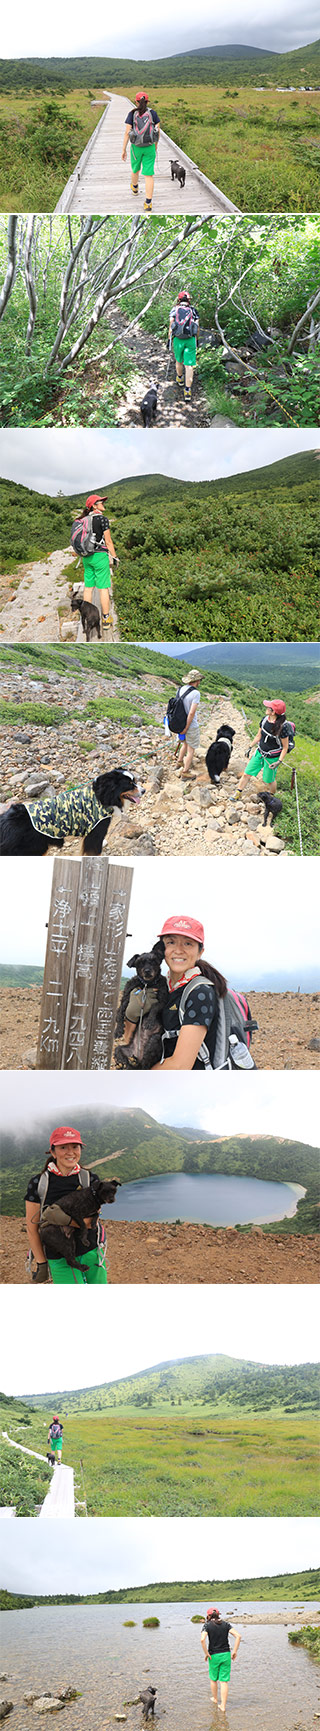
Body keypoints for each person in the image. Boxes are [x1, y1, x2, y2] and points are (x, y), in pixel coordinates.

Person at [25, 1126, 109, 1285]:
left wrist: (62, 1219)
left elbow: (92, 1219)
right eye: (63, 1147)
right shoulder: (39, 1184)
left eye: (75, 1147)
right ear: (53, 1151)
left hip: (91, 1250)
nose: (70, 1152)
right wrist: (41, 1263)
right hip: (59, 1257)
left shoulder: (90, 1179)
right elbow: (32, 1228)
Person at [152, 915, 228, 1071]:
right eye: (171, 942)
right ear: (160, 949)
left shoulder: (201, 993)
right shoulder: (162, 987)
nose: (178, 950)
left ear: (200, 952)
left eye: (188, 943)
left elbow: (180, 1065)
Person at [71, 494, 118, 634]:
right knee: (103, 588)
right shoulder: (102, 519)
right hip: (100, 556)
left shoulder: (82, 520)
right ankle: (106, 620)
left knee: (88, 588)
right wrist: (114, 557)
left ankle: (86, 617)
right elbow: (108, 541)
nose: (103, 503)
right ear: (94, 505)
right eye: (100, 502)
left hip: (87, 557)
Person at [236, 699, 290, 796]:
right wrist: (250, 747)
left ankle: (271, 796)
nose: (266, 708)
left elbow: (285, 747)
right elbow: (258, 735)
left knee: (269, 780)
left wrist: (279, 761)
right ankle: (238, 793)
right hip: (260, 752)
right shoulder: (265, 720)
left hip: (272, 757)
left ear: (273, 712)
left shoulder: (283, 727)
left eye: (269, 707)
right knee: (247, 773)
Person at [122, 92, 160, 213]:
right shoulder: (152, 113)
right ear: (148, 101)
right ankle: (148, 203)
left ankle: (135, 188)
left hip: (135, 147)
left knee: (135, 169)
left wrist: (123, 149)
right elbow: (157, 132)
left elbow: (127, 132)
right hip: (149, 147)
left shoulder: (132, 114)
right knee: (149, 175)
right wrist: (155, 147)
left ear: (136, 101)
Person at [201, 1607, 241, 1715]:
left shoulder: (206, 1625)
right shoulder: (226, 1624)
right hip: (226, 1655)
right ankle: (223, 1706)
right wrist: (235, 1651)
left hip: (213, 1656)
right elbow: (238, 1636)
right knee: (224, 1681)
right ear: (218, 1615)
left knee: (213, 1679)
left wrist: (206, 1653)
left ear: (208, 1616)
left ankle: (215, 1699)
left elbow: (202, 1639)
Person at [168, 290, 199, 404]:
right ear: (189, 300)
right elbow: (197, 327)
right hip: (190, 339)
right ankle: (187, 391)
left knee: (179, 361)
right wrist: (197, 339)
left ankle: (180, 379)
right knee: (189, 365)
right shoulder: (193, 311)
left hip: (178, 339)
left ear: (179, 299)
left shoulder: (174, 310)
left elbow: (171, 326)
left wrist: (169, 339)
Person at [174, 670, 202, 776]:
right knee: (191, 750)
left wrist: (182, 728)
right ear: (197, 680)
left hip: (179, 723)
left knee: (184, 744)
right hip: (190, 725)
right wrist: (186, 727)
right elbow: (191, 713)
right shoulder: (195, 693)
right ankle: (185, 772)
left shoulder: (180, 689)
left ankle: (179, 762)